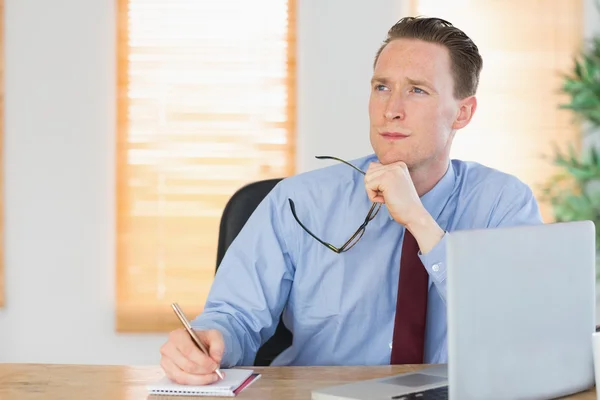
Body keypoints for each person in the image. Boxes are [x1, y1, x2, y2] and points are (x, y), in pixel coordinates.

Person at [159, 16, 543, 385]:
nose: (391, 109)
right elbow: (235, 316)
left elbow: (516, 330)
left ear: (462, 113)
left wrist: (419, 221)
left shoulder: (503, 204)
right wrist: (212, 340)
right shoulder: (299, 201)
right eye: (381, 87)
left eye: (417, 90)